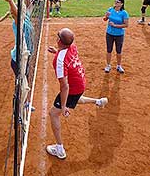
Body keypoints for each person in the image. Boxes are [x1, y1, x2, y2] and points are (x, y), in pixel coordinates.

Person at [46, 28, 108, 159]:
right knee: (75, 98)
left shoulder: (59, 60)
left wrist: (63, 107)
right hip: (81, 83)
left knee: (53, 114)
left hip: (73, 87)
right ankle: (98, 101)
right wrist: (57, 51)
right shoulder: (72, 47)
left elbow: (64, 86)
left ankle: (59, 149)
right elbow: (66, 55)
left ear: (58, 40)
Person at [103, 0, 129, 73]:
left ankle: (119, 65)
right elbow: (105, 19)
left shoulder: (124, 13)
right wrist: (106, 16)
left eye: (118, 2)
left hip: (119, 35)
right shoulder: (110, 9)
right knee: (109, 50)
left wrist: (115, 25)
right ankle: (108, 65)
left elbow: (126, 25)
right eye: (115, 1)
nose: (116, 3)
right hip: (109, 33)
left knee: (119, 51)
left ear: (121, 4)